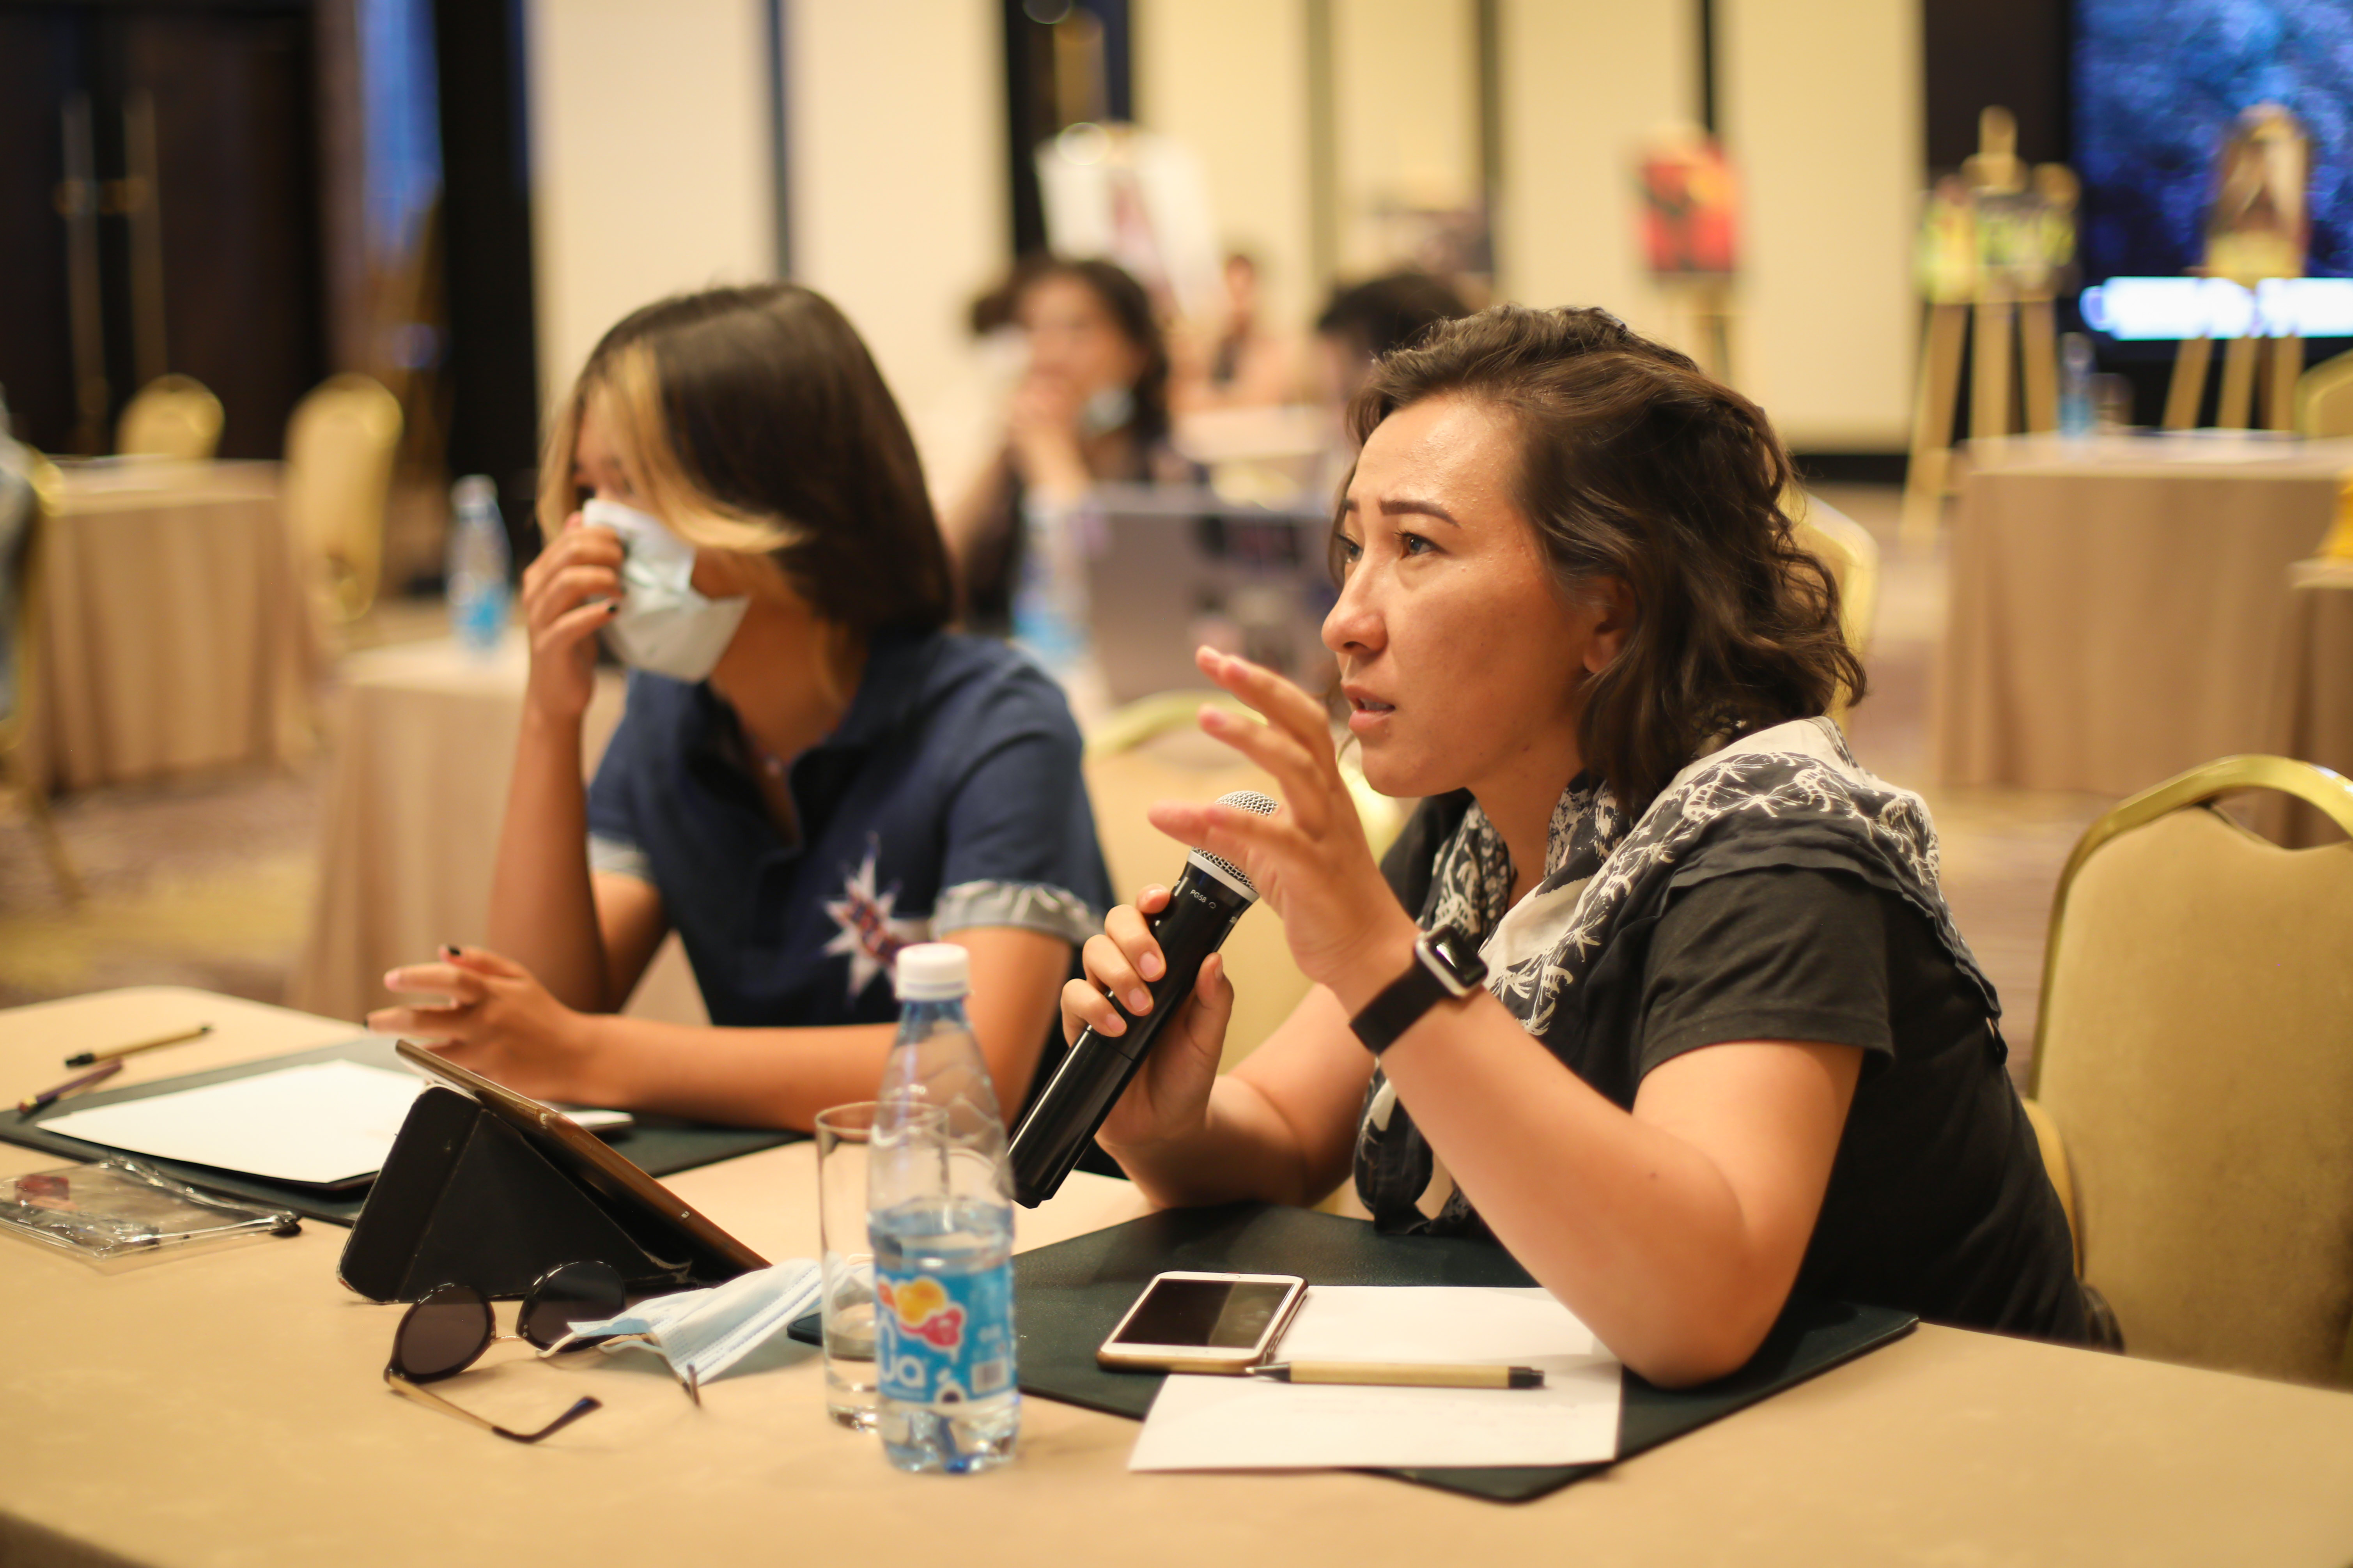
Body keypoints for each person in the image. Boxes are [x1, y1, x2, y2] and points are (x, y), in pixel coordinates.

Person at [1062, 305, 2093, 1388]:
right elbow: (1282, 1125)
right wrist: (1166, 1127)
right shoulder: (1479, 821)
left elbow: (1699, 1306)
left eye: (1417, 547)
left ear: (1608, 613)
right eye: (1355, 547)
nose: (1345, 620)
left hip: (1960, 1442)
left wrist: (1380, 960)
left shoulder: (1779, 850)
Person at [369, 283, 1114, 1129]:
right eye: (588, 489)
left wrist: (585, 1053)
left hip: (1011, 1203)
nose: (594, 535)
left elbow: (964, 1076)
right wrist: (550, 715)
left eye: (633, 485)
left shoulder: (997, 720)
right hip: (779, 1189)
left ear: (784, 496)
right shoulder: (670, 711)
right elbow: (546, 1014)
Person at [941, 257, 1191, 637]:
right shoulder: (1019, 451)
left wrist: (1052, 459)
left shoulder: (1169, 469)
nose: (1049, 354)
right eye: (1032, 329)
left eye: (1078, 330)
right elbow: (934, 571)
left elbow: (1113, 607)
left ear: (1136, 352)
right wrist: (1001, 453)